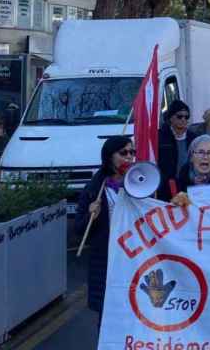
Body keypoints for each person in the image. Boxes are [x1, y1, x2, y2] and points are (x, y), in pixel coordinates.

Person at [75, 136, 134, 327]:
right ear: (109, 157)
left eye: (132, 152)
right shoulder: (94, 189)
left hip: (134, 259)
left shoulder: (140, 184)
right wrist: (90, 216)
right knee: (108, 319)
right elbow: (79, 229)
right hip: (106, 261)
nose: (129, 157)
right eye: (123, 153)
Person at [156, 100, 199, 200]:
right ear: (171, 117)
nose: (183, 119)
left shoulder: (194, 137)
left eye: (186, 117)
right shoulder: (160, 136)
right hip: (166, 186)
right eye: (179, 116)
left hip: (189, 185)